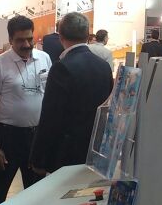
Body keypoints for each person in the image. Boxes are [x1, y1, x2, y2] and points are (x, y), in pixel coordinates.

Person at [29, 13, 114, 175]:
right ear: (87, 36)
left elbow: (51, 115)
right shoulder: (103, 66)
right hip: (95, 150)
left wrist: (38, 158)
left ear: (60, 36)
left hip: (66, 153)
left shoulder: (62, 67)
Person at [0, 15, 52, 205]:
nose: (27, 44)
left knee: (37, 194)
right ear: (10, 39)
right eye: (20, 40)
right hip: (8, 137)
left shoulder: (44, 58)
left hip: (36, 137)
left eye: (30, 39)